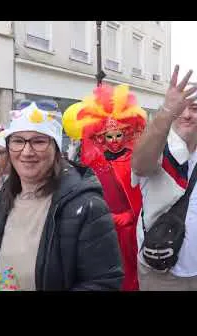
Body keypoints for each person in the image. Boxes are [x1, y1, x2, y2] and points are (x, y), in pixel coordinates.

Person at [0, 100, 124, 290]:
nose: (27, 152)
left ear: (56, 149)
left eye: (39, 141)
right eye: (18, 141)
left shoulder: (85, 207)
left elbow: (104, 283)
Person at [132, 65, 197, 291]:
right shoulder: (157, 148)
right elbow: (140, 166)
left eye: (194, 108)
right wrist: (166, 110)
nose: (187, 114)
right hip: (160, 272)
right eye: (180, 108)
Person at [63, 84, 147, 291]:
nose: (115, 141)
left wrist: (130, 215)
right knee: (101, 269)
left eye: (118, 135)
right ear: (101, 137)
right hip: (100, 224)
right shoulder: (94, 162)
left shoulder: (134, 161)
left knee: (129, 270)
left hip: (128, 228)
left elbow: (143, 193)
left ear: (126, 134)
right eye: (109, 136)